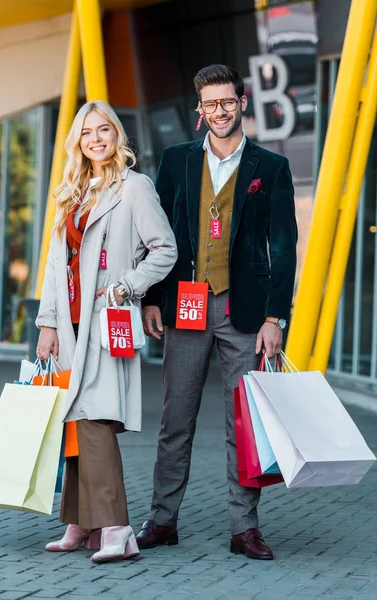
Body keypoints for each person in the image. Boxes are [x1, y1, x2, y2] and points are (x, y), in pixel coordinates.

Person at [137, 64, 297, 560]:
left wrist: (275, 318)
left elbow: (284, 246)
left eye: (228, 102)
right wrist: (150, 299)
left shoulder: (270, 167)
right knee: (175, 420)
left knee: (242, 422)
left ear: (243, 103)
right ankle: (163, 521)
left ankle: (243, 528)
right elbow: (155, 237)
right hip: (185, 302)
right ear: (199, 111)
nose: (220, 111)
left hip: (243, 310)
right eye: (211, 104)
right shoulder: (176, 160)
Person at [35, 100, 177, 563]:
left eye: (105, 130)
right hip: (71, 327)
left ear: (117, 136)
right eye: (87, 132)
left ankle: (116, 527)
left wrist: (126, 287)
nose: (96, 139)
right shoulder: (69, 194)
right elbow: (57, 266)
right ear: (77, 141)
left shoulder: (134, 188)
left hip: (105, 321)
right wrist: (47, 322)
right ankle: (81, 523)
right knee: (74, 419)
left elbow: (164, 249)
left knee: (94, 419)